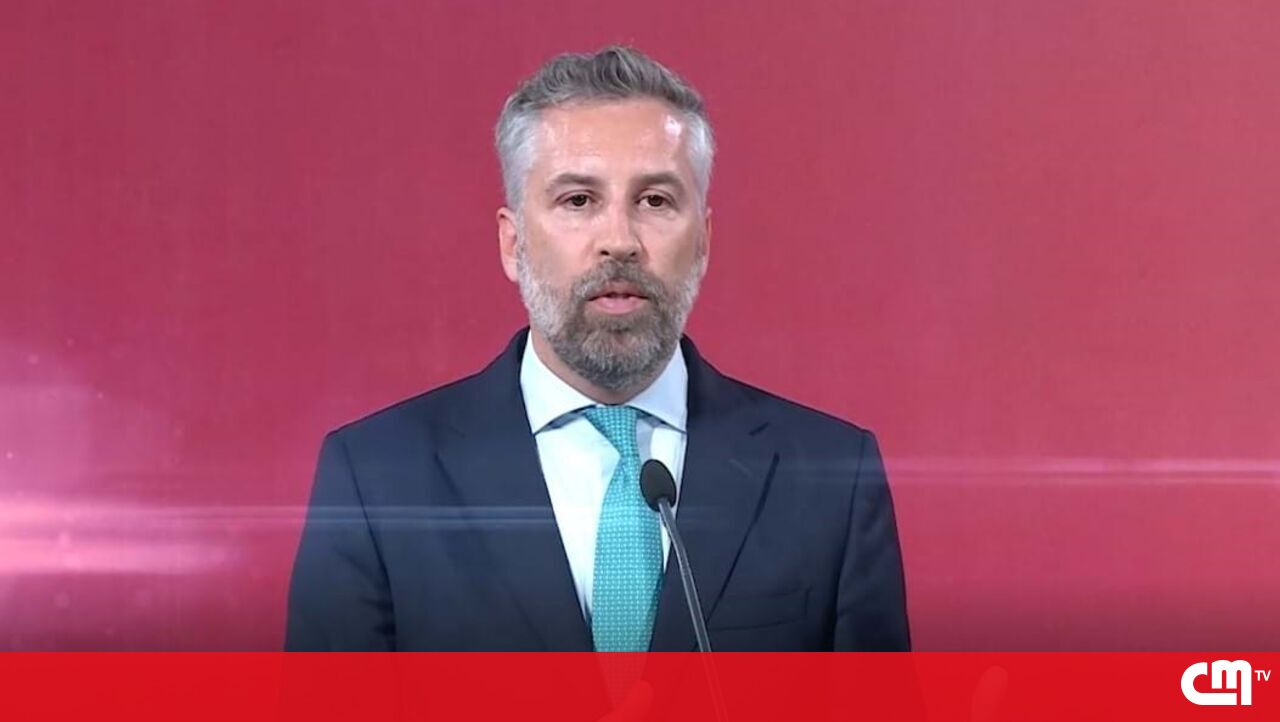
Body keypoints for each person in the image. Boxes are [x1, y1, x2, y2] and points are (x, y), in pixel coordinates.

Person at [285, 46, 910, 652]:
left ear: (703, 242)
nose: (620, 240)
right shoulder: (376, 479)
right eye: (578, 200)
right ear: (513, 244)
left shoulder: (831, 478)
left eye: (655, 200)